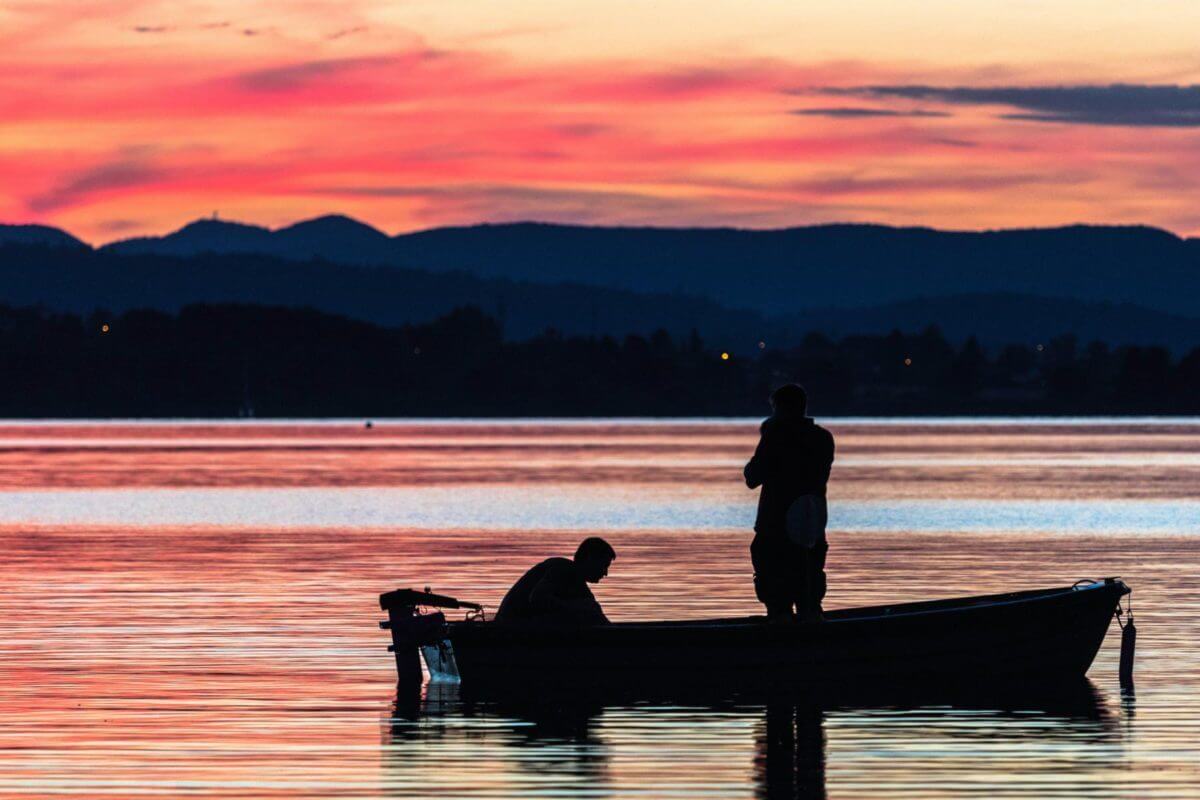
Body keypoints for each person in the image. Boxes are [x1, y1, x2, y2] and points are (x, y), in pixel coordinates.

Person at [744, 384, 834, 623]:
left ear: (781, 409)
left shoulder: (776, 437)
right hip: (811, 527)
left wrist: (769, 435)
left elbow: (752, 477)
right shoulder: (823, 438)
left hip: (775, 529)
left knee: (777, 600)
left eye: (774, 409)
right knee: (809, 598)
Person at [494, 537, 616, 624]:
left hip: (524, 624)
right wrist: (576, 608)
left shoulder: (579, 584)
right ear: (590, 558)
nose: (605, 573)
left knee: (590, 608)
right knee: (585, 611)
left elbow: (594, 612)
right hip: (511, 625)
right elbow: (537, 598)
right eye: (604, 565)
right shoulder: (561, 568)